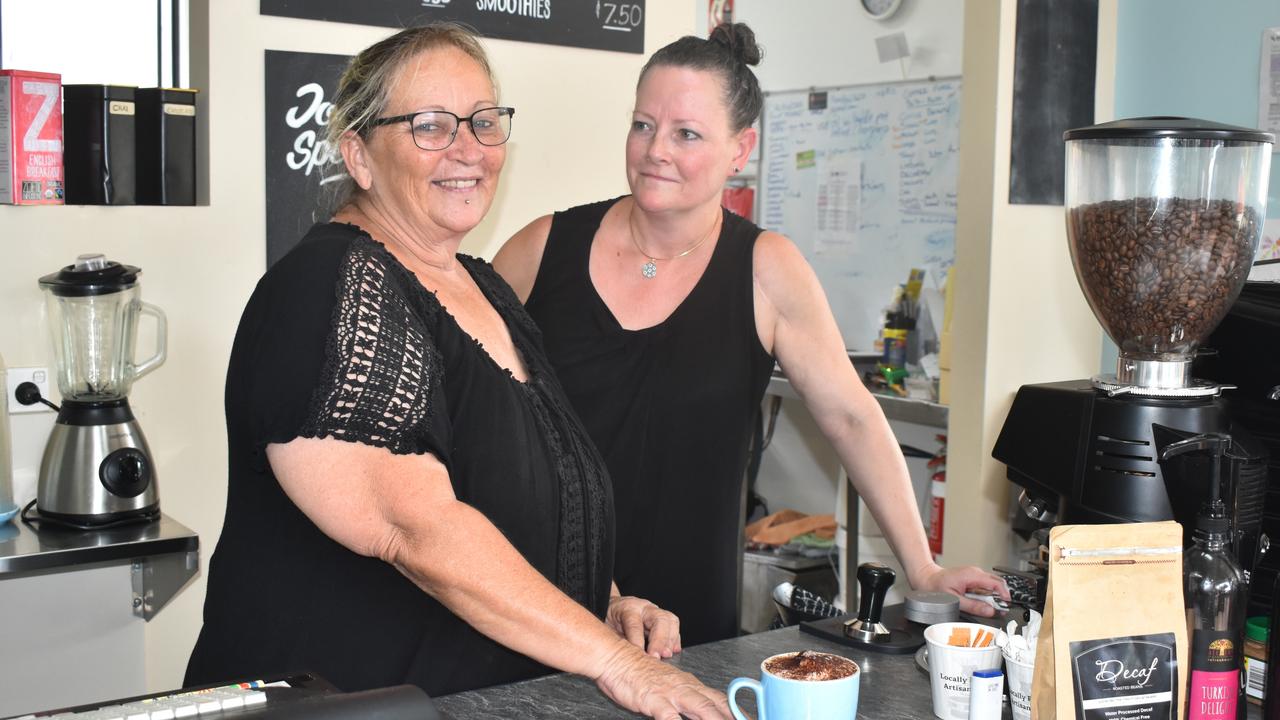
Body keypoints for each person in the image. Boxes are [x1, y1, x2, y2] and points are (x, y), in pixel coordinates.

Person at [184, 23, 729, 719]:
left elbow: (530, 487)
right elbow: (413, 526)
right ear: (359, 154)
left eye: (482, 121)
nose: (468, 149)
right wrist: (615, 662)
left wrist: (608, 602)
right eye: (431, 126)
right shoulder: (329, 286)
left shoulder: (481, 285)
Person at [494, 23, 1008, 646]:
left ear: (741, 149)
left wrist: (923, 568)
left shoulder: (767, 269)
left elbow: (852, 417)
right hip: (536, 604)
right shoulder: (543, 247)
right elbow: (470, 409)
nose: (656, 149)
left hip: (686, 629)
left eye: (686, 133)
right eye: (643, 124)